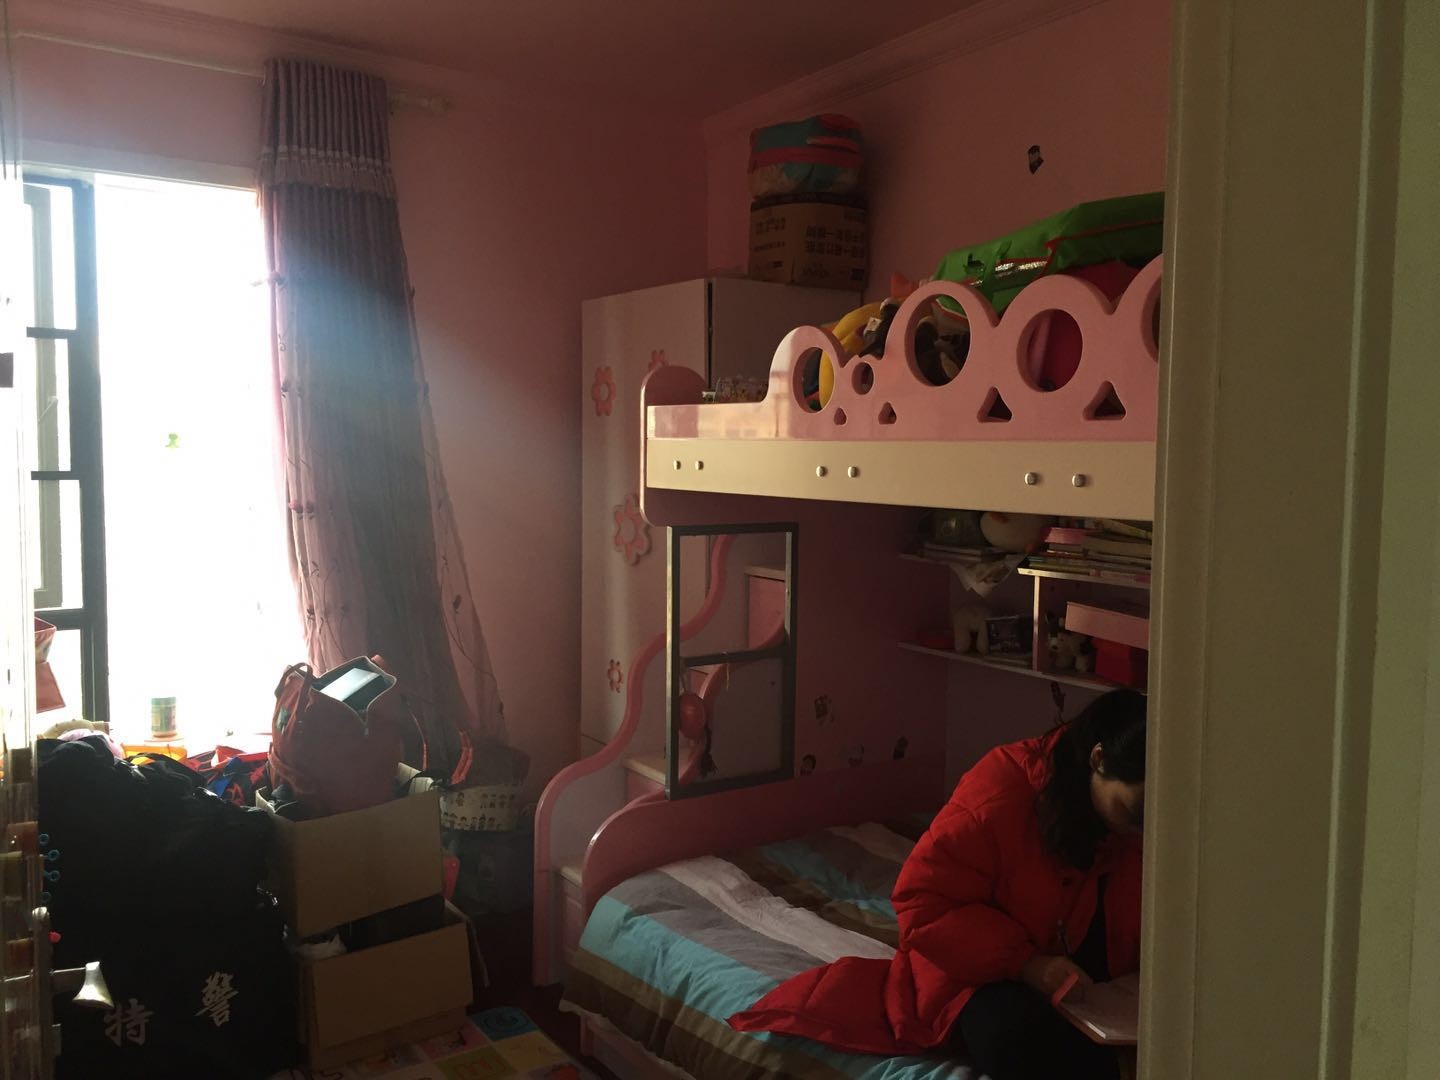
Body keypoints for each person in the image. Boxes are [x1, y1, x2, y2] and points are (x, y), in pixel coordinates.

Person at [728, 689, 1146, 1080]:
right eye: (1135, 811)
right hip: (976, 967)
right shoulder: (1004, 790)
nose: (1142, 827)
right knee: (1014, 1037)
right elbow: (922, 902)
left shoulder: (1130, 823)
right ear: (1098, 759)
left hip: (1069, 963)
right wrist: (1027, 964)